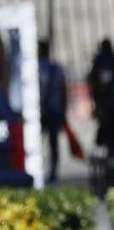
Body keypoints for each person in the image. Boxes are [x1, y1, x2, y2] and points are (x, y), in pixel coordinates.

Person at [38, 40, 67, 183]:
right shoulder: (56, 68)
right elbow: (63, 91)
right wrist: (63, 110)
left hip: (41, 111)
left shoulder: (36, 67)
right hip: (55, 110)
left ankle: (40, 171)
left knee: (38, 142)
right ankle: (52, 172)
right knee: (53, 143)